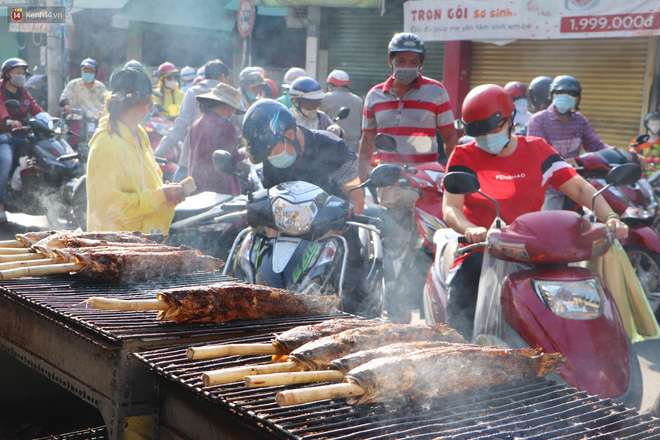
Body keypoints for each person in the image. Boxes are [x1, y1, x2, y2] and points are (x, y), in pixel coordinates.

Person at [443, 84, 628, 337]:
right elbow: (450, 208)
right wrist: (471, 229)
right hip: (481, 248)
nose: (487, 137)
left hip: (533, 249)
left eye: (493, 128)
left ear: (511, 120)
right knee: (461, 312)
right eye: (479, 132)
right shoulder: (464, 155)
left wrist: (610, 216)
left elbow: (580, 189)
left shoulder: (537, 150)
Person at [242, 99, 370, 314]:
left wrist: (327, 231)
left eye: (272, 152)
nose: (271, 159)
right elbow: (272, 209)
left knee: (353, 286)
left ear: (290, 135)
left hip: (333, 233)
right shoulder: (271, 156)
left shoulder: (334, 148)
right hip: (288, 234)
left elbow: (357, 203)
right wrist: (274, 247)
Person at [86, 67, 185, 234]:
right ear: (141, 103)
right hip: (115, 249)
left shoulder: (139, 134)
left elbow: (145, 186)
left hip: (145, 241)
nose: (151, 106)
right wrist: (160, 196)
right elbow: (111, 206)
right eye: (150, 101)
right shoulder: (107, 144)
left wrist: (165, 196)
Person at [527, 75, 608, 210]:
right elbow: (536, 155)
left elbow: (597, 146)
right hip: (550, 186)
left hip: (577, 184)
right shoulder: (539, 120)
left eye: (571, 94)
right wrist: (562, 162)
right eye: (560, 93)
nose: (565, 97)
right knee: (550, 225)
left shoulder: (579, 120)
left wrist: (621, 153)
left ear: (577, 98)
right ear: (551, 95)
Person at [155, 59, 231, 182]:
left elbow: (180, 126)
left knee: (178, 196)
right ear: (223, 77)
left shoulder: (192, 92)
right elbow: (243, 122)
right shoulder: (230, 95)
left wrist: (159, 153)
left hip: (191, 161)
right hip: (222, 165)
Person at [0, 58, 46, 223]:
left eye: (23, 73)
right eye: (17, 73)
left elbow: (35, 108)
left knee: (34, 159)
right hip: (4, 135)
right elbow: (1, 107)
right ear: (7, 74)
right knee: (5, 161)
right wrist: (7, 120)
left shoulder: (24, 92)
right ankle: (1, 206)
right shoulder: (0, 89)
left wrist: (48, 119)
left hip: (22, 135)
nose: (21, 76)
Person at [188, 83, 246, 195]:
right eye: (233, 109)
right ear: (225, 105)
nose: (233, 112)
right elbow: (233, 156)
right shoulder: (225, 125)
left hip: (197, 188)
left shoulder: (197, 124)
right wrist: (245, 152)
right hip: (219, 189)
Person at [59, 58, 108, 147]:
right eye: (85, 70)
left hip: (96, 119)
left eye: (91, 71)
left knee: (101, 141)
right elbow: (65, 96)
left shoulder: (100, 87)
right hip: (76, 118)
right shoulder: (73, 84)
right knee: (72, 142)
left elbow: (106, 100)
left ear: (95, 73)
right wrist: (66, 106)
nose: (88, 73)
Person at [321, 70, 363, 152]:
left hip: (330, 145)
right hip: (353, 147)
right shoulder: (358, 100)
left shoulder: (324, 98)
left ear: (331, 86)